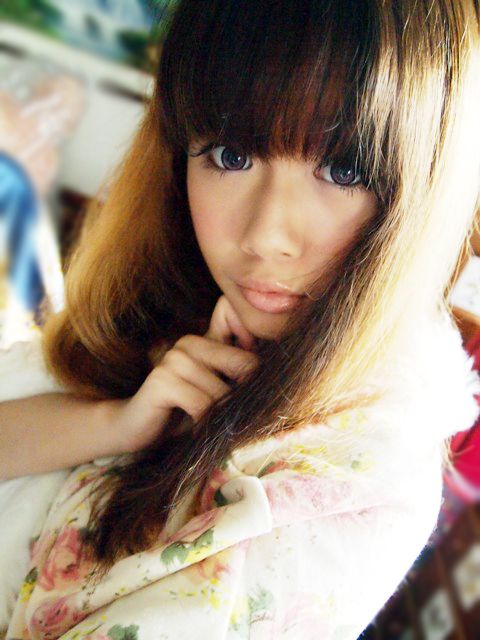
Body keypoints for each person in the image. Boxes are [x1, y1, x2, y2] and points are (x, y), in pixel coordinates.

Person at [2, 0, 480, 638]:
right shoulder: (176, 311)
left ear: (422, 188)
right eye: (230, 155)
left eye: (344, 169)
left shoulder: (353, 487)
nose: (266, 237)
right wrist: (117, 424)